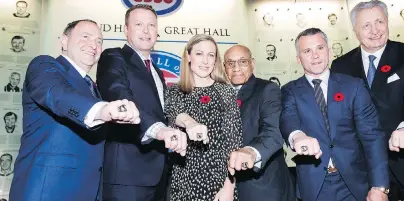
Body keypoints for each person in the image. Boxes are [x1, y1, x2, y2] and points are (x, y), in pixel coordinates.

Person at [9, 19, 141, 201]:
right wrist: (101, 110)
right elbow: (56, 94)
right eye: (85, 37)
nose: (93, 45)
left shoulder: (94, 89)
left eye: (99, 41)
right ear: (64, 41)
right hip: (47, 191)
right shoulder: (44, 66)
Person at [331, 1, 404, 200]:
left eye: (379, 22)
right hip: (369, 172)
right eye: (366, 25)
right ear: (355, 30)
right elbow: (339, 113)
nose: (375, 30)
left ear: (388, 22)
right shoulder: (341, 66)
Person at [281, 28, 389, 201]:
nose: (315, 55)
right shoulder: (290, 90)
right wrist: (297, 136)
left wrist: (380, 186)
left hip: (355, 184)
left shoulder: (353, 86)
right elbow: (288, 118)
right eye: (307, 51)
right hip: (315, 187)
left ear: (329, 52)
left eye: (320, 48)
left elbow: (372, 136)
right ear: (298, 59)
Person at [96, 4, 187, 201]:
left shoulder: (156, 71)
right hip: (126, 175)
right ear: (126, 29)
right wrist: (159, 130)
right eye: (138, 24)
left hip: (160, 174)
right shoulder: (114, 57)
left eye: (151, 25)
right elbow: (118, 93)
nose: (146, 31)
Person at [164, 34, 241, 201]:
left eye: (211, 55)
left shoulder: (225, 92)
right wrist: (190, 123)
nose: (206, 61)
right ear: (188, 56)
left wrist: (229, 185)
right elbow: (175, 113)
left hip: (219, 180)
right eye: (199, 54)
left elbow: (233, 143)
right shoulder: (174, 91)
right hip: (182, 180)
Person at [223, 45, 295, 201]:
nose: (236, 68)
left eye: (242, 62)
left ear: (252, 64)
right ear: (224, 67)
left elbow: (273, 131)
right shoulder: (219, 93)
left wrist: (251, 152)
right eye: (231, 63)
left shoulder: (267, 89)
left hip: (262, 186)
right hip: (228, 186)